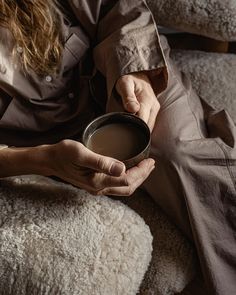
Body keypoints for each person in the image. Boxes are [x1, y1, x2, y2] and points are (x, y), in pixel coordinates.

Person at [0, 1, 235, 294]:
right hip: (44, 138)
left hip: (118, 71)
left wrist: (135, 70)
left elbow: (116, 7)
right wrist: (41, 160)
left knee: (178, 154)